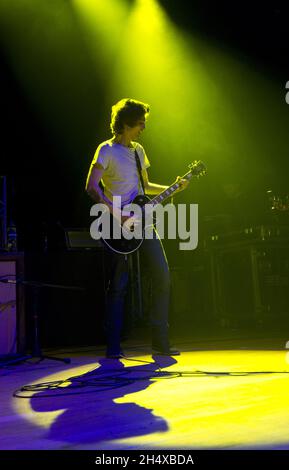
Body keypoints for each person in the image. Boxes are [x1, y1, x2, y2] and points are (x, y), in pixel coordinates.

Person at [86, 98, 188, 358]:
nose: (143, 127)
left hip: (144, 223)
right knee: (118, 285)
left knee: (162, 276)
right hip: (116, 224)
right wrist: (115, 212)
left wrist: (172, 187)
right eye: (140, 123)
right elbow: (91, 187)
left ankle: (160, 341)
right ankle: (113, 346)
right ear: (126, 123)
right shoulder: (106, 150)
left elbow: (146, 187)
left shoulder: (138, 151)